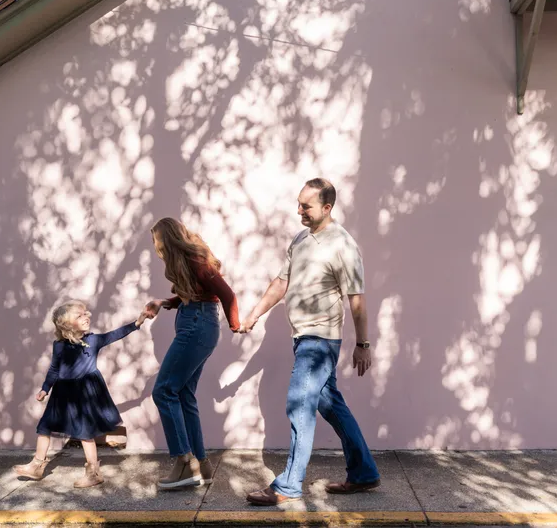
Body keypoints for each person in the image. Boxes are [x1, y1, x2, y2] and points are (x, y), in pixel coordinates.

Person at [240, 178, 381, 505]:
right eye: (299, 204)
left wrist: (363, 345)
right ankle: (364, 472)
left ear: (327, 207)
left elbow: (357, 300)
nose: (299, 210)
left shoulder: (343, 245)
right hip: (303, 338)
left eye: (307, 206)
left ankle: (288, 486)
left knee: (299, 404)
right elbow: (281, 282)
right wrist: (254, 315)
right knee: (329, 402)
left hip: (320, 341)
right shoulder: (301, 239)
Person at [144, 217, 240, 490]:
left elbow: (226, 293)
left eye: (156, 241)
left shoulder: (196, 260)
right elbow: (198, 292)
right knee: (183, 393)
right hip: (195, 323)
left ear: (167, 239)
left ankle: (184, 462)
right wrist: (164, 302)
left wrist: (235, 325)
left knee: (163, 391)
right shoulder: (190, 262)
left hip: (197, 326)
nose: (156, 247)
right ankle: (202, 463)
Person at [13, 299, 150, 488]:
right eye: (80, 315)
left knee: (85, 433)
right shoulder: (59, 345)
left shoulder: (92, 341)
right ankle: (37, 465)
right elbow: (54, 369)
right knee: (45, 427)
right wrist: (45, 388)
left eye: (86, 313)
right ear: (67, 324)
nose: (86, 317)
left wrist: (137, 322)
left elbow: (114, 335)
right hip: (62, 392)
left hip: (84, 393)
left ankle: (93, 472)